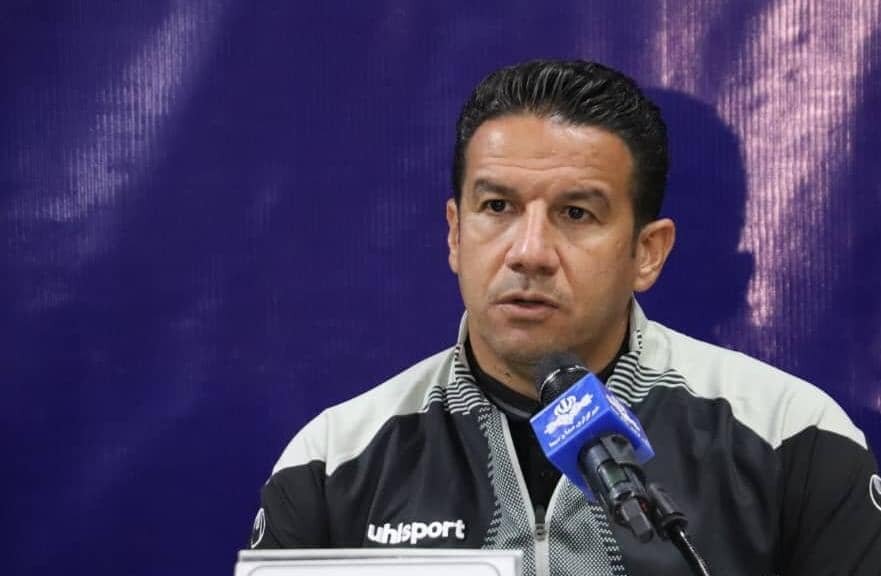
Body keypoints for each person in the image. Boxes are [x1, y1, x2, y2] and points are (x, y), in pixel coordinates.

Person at [249, 59, 881, 575]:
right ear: (455, 233)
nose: (529, 252)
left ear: (647, 251)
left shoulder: (793, 437)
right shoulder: (332, 460)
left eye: (576, 213)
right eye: (498, 206)